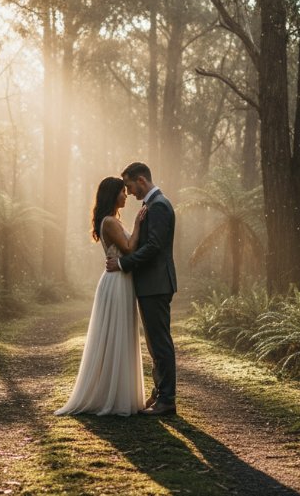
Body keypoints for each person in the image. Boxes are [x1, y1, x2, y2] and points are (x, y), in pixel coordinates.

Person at [55, 177, 148, 416]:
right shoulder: (109, 222)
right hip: (116, 282)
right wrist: (138, 224)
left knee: (121, 335)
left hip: (121, 280)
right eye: (122, 192)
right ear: (112, 194)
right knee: (115, 335)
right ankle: (111, 396)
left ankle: (118, 393)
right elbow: (128, 248)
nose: (126, 195)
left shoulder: (111, 220)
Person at [105, 162, 177, 416]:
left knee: (160, 343)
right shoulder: (152, 205)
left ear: (142, 181)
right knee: (155, 343)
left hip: (156, 284)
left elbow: (154, 247)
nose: (129, 191)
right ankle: (160, 394)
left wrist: (123, 263)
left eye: (129, 185)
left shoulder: (158, 206)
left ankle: (167, 400)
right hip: (151, 284)